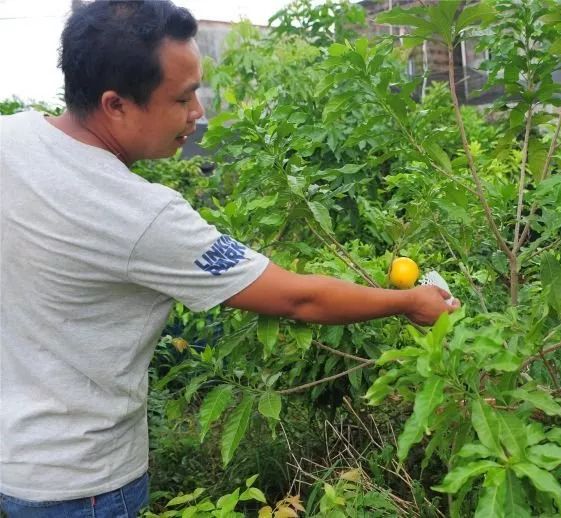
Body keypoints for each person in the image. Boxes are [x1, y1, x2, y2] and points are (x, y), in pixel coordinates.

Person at [0, 1, 458, 516]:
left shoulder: (10, 140)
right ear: (116, 105)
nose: (199, 113)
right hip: (85, 485)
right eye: (183, 98)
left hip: (15, 463)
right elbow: (298, 297)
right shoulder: (139, 216)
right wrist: (408, 303)